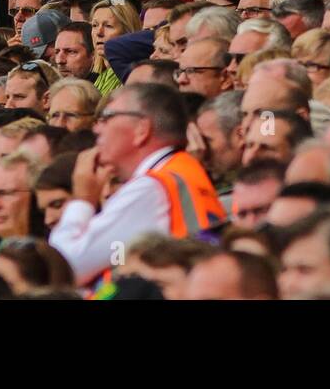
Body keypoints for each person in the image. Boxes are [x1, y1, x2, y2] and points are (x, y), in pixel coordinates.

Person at [49, 84, 224, 284]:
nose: (97, 128)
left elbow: (63, 266)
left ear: (142, 129)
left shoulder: (152, 188)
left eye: (107, 117)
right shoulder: (178, 171)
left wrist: (82, 200)